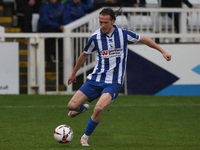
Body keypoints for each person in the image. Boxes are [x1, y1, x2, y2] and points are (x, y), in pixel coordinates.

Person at [67, 7, 171, 146]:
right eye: (100, 22)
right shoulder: (95, 37)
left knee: (98, 108)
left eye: (105, 22)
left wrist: (162, 51)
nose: (102, 25)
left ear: (113, 21)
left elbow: (144, 39)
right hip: (95, 79)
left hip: (114, 82)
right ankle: (81, 109)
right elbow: (84, 55)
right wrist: (73, 73)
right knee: (71, 106)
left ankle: (84, 138)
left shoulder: (123, 35)